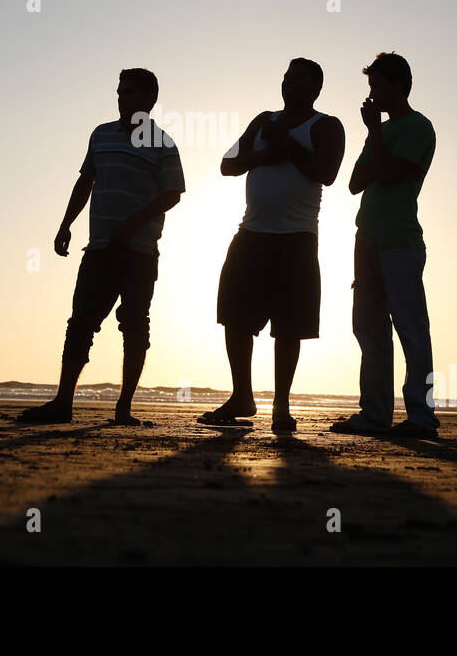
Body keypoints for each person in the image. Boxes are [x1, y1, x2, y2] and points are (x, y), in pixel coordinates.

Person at [19, 69, 185, 426]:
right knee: (80, 323)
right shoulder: (102, 134)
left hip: (139, 252)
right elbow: (86, 180)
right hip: (99, 249)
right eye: (120, 92)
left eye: (130, 93)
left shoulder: (163, 144)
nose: (122, 98)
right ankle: (63, 402)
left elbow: (173, 194)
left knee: (135, 325)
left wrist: (134, 222)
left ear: (149, 99)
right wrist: (66, 224)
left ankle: (124, 408)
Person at [199, 59, 344, 434]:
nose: (288, 83)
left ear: (316, 87)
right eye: (285, 77)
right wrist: (262, 155)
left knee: (290, 325)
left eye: (298, 78)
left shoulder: (327, 126)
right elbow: (227, 165)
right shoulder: (264, 120)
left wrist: (288, 145)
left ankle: (281, 405)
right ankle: (242, 396)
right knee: (234, 315)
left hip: (296, 239)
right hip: (251, 234)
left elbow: (326, 174)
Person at [331, 52, 441, 440]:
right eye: (371, 86)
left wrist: (376, 136)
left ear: (400, 85)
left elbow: (393, 173)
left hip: (400, 242)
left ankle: (422, 417)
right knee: (369, 328)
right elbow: (356, 181)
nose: (373, 94)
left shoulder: (418, 127)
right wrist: (378, 145)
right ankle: (375, 414)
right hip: (367, 240)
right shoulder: (377, 133)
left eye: (378, 85)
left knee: (411, 329)